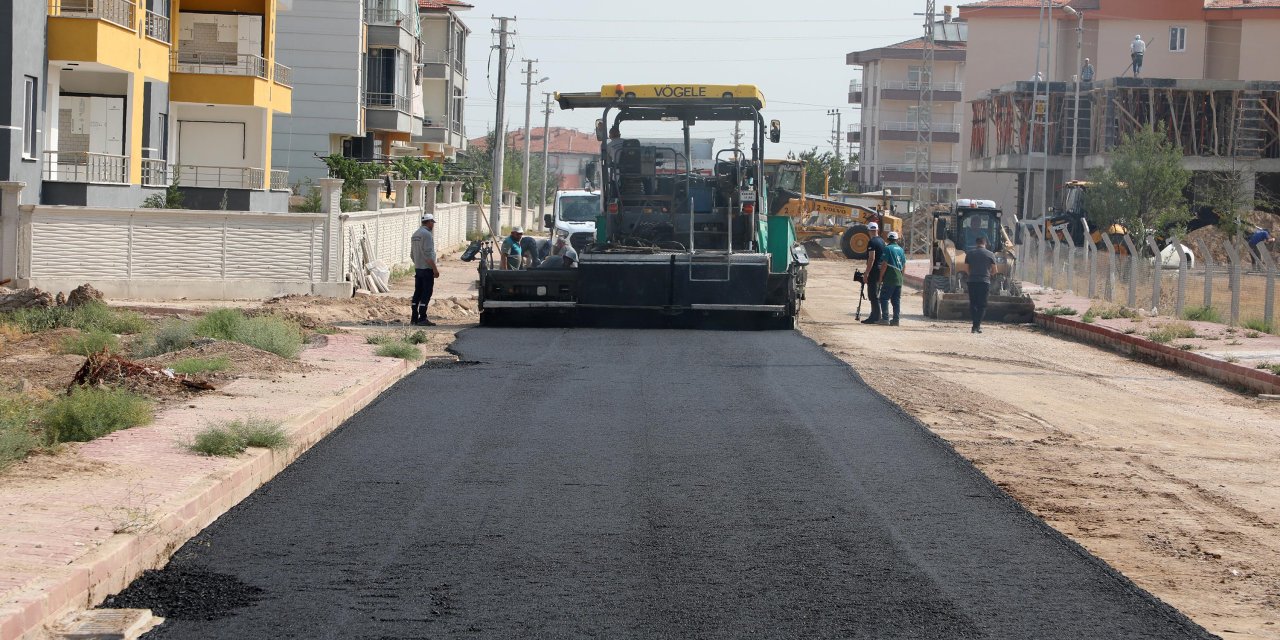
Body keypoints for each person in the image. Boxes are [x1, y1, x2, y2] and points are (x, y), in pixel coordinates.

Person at [409, 213, 439, 326]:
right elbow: (428, 254)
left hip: (418, 268)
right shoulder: (427, 235)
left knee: (417, 292)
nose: (433, 225)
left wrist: (418, 263)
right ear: (429, 222)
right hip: (426, 269)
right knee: (426, 292)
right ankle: (422, 318)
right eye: (432, 223)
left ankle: (414, 317)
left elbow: (412, 254)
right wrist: (435, 269)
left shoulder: (415, 234)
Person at [966, 236, 998, 334]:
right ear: (985, 244)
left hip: (972, 281)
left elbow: (967, 269)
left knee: (973, 304)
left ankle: (975, 325)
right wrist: (988, 275)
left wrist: (972, 275)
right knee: (982, 305)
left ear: (976, 244)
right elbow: (995, 270)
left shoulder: (969, 254)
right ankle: (976, 326)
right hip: (984, 282)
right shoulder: (990, 254)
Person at [879, 231, 907, 326]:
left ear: (888, 239)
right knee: (896, 300)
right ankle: (896, 320)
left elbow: (884, 264)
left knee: (884, 298)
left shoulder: (887, 248)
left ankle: (885, 318)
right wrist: (901, 276)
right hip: (898, 278)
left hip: (890, 277)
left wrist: (881, 277)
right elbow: (904, 265)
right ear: (896, 239)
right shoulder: (901, 250)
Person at [861, 221, 887, 324]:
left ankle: (875, 317)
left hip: (874, 270)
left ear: (869, 231)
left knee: (872, 295)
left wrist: (866, 273)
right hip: (880, 270)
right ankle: (876, 315)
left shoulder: (872, 242)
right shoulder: (882, 241)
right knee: (876, 293)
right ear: (877, 230)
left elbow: (871, 258)